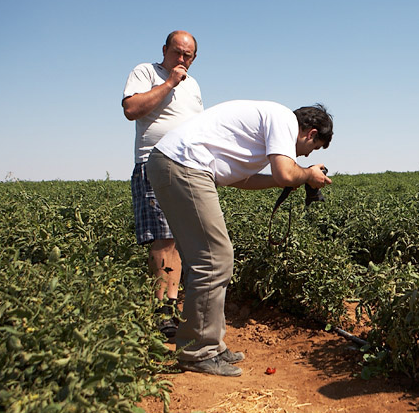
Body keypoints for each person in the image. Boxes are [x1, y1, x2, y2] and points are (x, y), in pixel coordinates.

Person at [147, 100, 333, 376]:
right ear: (311, 133)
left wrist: (296, 179)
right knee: (215, 258)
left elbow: (239, 179)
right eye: (312, 149)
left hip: (177, 164)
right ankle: (198, 351)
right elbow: (284, 172)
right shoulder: (284, 119)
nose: (306, 156)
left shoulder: (267, 131)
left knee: (206, 258)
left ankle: (211, 344)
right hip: (184, 165)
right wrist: (306, 175)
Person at [122, 31, 204, 337]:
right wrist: (169, 83)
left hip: (188, 169)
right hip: (154, 164)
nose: (181, 60)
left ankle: (172, 307)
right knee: (164, 239)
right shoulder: (146, 72)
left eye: (188, 56)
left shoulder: (194, 86)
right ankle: (161, 313)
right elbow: (131, 109)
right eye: (177, 53)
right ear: (165, 50)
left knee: (181, 239)